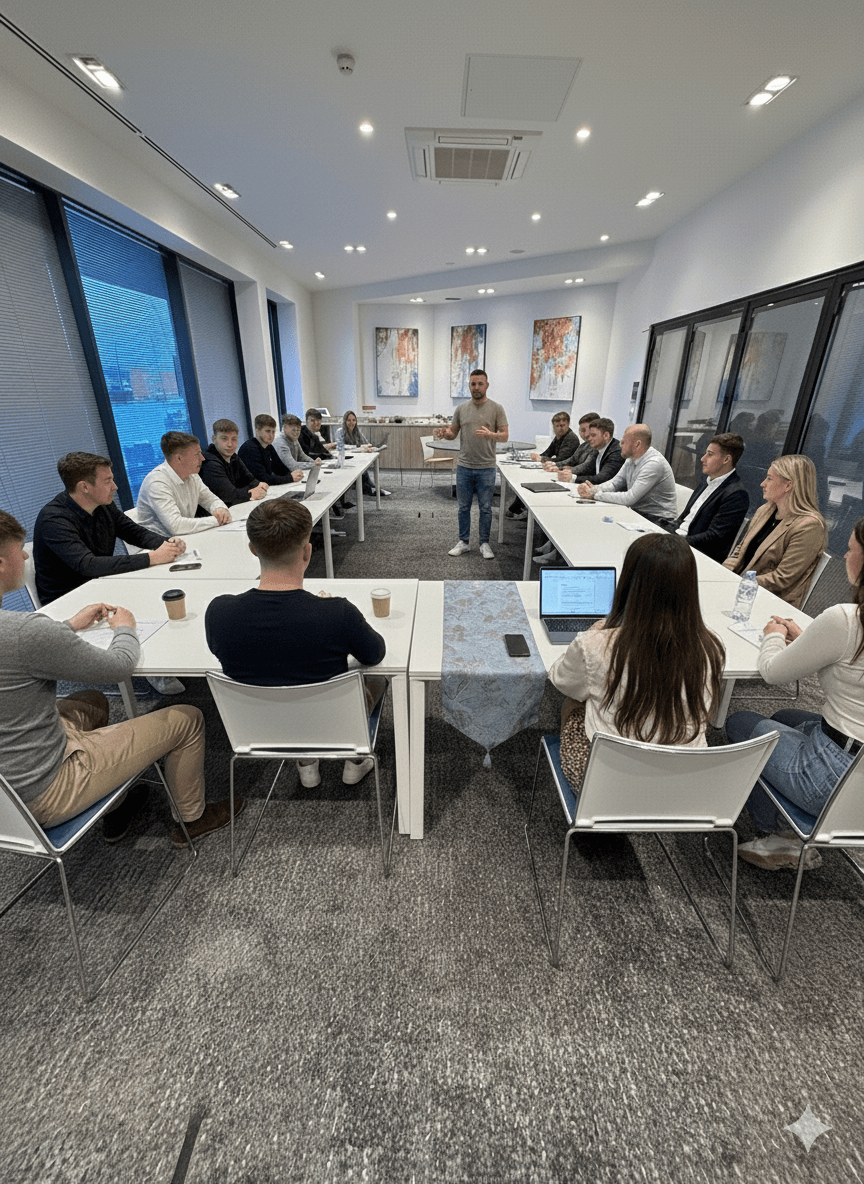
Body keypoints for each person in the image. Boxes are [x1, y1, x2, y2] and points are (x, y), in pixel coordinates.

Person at [0, 509, 236, 846]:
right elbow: (117, 668)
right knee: (187, 718)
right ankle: (192, 820)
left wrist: (67, 626)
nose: (26, 555)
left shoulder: (21, 634)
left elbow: (19, 653)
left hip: (7, 786)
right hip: (45, 791)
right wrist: (125, 627)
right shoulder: (25, 632)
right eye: (19, 549)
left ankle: (114, 803)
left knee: (91, 702)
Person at [204, 498, 386, 787]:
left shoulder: (219, 612)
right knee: (378, 678)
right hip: (332, 724)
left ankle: (306, 763)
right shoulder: (337, 613)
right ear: (307, 551)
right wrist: (329, 613)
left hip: (259, 728)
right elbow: (375, 654)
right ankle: (354, 759)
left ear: (252, 549)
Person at [725, 519, 864, 871]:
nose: (845, 554)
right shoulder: (847, 628)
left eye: (850, 549)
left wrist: (773, 634)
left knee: (740, 724)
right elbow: (849, 667)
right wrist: (809, 639)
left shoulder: (848, 620)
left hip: (835, 777)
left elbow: (772, 673)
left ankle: (781, 839)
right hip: (854, 761)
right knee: (786, 718)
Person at [548, 532, 724, 790]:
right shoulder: (711, 648)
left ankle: (592, 811)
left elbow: (561, 680)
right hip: (681, 780)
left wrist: (595, 633)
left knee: (574, 701)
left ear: (630, 582)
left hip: (607, 782)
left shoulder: (595, 645)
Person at [33, 451, 185, 605]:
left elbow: (133, 532)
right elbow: (88, 565)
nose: (115, 487)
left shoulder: (102, 505)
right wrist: (152, 558)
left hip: (101, 585)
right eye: (107, 481)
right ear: (84, 487)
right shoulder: (53, 520)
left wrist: (167, 543)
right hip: (68, 601)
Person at [722, 454, 826, 608]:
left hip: (769, 603)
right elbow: (739, 552)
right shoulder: (765, 510)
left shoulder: (810, 526)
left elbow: (782, 579)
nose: (762, 484)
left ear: (788, 486)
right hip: (741, 589)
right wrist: (721, 574)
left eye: (769, 478)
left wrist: (738, 582)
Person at [433, 369, 509, 560]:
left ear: (487, 385)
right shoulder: (461, 409)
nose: (476, 387)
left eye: (480, 384)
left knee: (485, 508)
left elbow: (505, 435)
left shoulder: (497, 408)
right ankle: (464, 542)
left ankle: (484, 543)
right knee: (463, 507)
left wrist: (491, 435)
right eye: (473, 384)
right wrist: (445, 433)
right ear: (469, 385)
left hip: (487, 467)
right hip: (464, 466)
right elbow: (453, 433)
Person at [534, 416, 626, 564]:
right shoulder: (599, 448)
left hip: (612, 502)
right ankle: (554, 548)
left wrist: (573, 478)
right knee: (566, 509)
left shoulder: (616, 452)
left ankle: (558, 555)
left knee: (572, 513)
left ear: (606, 435)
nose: (588, 438)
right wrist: (560, 469)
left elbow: (604, 478)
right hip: (599, 494)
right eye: (587, 434)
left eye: (592, 435)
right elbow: (582, 466)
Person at [661, 433, 750, 563]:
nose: (702, 459)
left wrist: (674, 541)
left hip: (696, 554)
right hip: (678, 541)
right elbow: (684, 518)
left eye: (710, 454)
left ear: (726, 460)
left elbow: (714, 537)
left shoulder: (736, 494)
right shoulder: (705, 482)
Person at [575, 423, 677, 523]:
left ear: (637, 444)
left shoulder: (653, 463)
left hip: (659, 520)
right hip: (638, 513)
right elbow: (615, 484)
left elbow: (629, 498)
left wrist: (595, 495)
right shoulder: (631, 458)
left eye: (624, 442)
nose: (620, 444)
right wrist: (594, 489)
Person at [137, 432, 232, 535]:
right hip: (158, 545)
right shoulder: (157, 483)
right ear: (179, 458)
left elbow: (210, 499)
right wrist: (216, 520)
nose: (202, 458)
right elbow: (176, 526)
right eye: (197, 454)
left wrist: (220, 509)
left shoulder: (191, 475)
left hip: (183, 539)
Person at [505, 411, 583, 519]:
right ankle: (520, 508)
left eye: (563, 425)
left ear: (568, 424)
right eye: (557, 426)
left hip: (564, 473)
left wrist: (542, 459)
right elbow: (548, 453)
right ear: (553, 426)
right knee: (528, 478)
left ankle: (520, 509)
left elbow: (562, 459)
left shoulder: (571, 439)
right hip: (557, 470)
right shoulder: (558, 437)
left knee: (532, 480)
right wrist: (539, 457)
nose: (560, 428)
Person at [199, 418, 268, 506]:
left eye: (234, 439)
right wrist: (252, 493)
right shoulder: (209, 463)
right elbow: (230, 496)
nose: (230, 444)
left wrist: (258, 487)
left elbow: (252, 481)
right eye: (224, 439)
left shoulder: (233, 457)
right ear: (214, 439)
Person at [300, 409, 353, 515]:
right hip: (305, 469)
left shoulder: (314, 435)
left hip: (316, 465)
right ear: (306, 421)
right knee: (332, 479)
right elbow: (307, 455)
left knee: (340, 474)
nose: (316, 423)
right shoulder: (301, 435)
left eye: (318, 420)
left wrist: (331, 458)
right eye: (312, 420)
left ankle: (337, 504)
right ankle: (333, 507)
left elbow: (322, 451)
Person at [238, 414, 302, 488]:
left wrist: (294, 474)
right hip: (248, 492)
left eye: (273, 432)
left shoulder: (269, 447)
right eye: (268, 431)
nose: (271, 435)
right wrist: (290, 478)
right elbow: (262, 478)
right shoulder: (249, 449)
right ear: (257, 431)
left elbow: (281, 469)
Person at [336, 411, 391, 498]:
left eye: (354, 420)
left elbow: (364, 442)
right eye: (349, 420)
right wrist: (358, 447)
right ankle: (370, 489)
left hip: (356, 459)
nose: (351, 423)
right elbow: (340, 446)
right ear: (345, 421)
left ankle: (373, 488)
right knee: (362, 473)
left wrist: (368, 447)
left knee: (364, 472)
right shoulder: (340, 431)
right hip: (346, 460)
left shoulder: (356, 431)